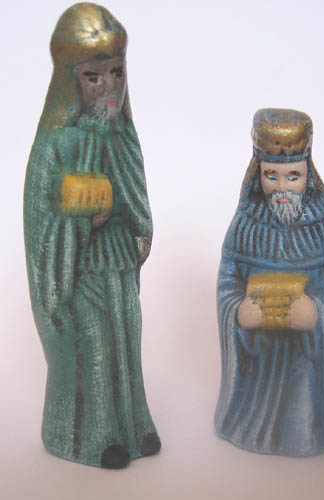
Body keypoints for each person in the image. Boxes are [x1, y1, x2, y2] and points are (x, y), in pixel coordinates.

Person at [24, 3, 160, 468]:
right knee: (96, 347)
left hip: (118, 261)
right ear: (71, 81)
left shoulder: (122, 136)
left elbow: (134, 192)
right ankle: (96, 438)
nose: (109, 87)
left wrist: (139, 229)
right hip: (79, 268)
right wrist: (82, 221)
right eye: (93, 77)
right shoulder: (55, 145)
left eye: (117, 73)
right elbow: (40, 225)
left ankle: (135, 426)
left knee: (128, 340)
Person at [215, 108, 324, 456]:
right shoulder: (244, 225)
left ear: (308, 175)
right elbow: (228, 284)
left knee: (300, 430)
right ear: (258, 172)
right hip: (258, 358)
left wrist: (319, 311)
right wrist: (237, 311)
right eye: (271, 175)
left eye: (293, 176)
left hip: (306, 357)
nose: (282, 187)